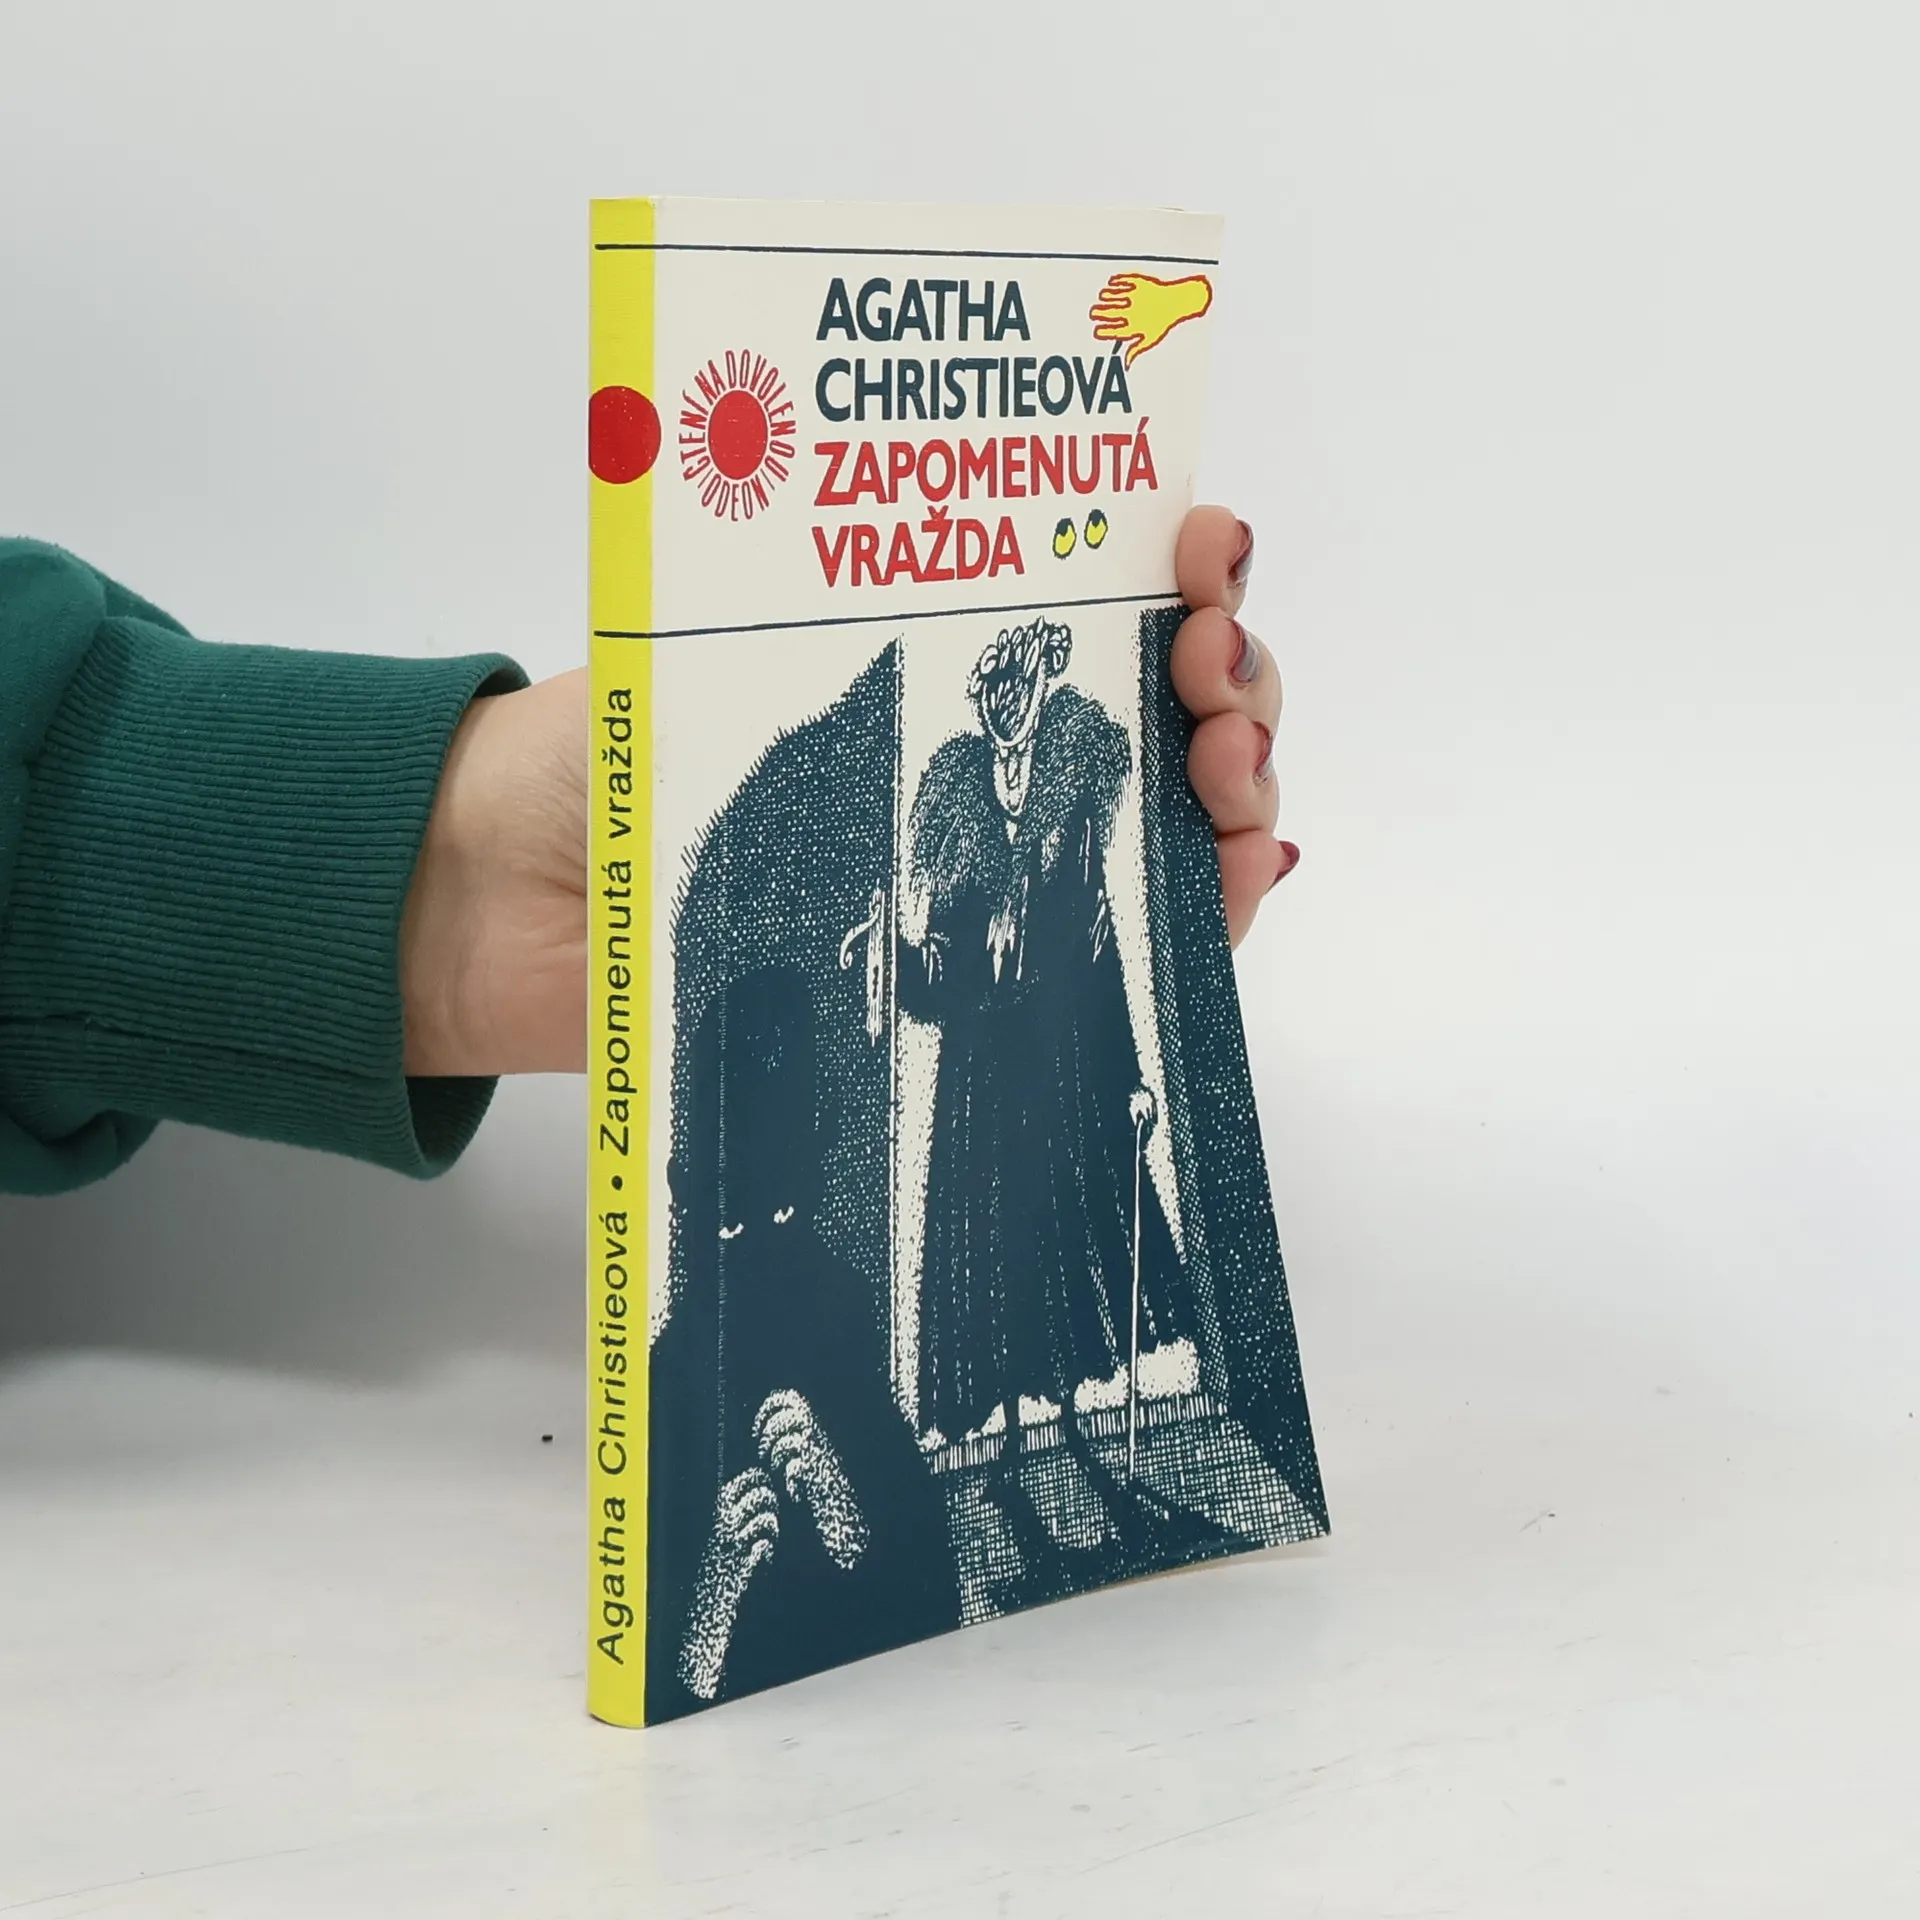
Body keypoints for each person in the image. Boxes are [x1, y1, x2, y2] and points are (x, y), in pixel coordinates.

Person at [0, 509, 1290, 1196]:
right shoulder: (954, 776)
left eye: (1022, 677)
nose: (1005, 697)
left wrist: (448, 836)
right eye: (993, 680)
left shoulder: (1071, 758)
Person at [647, 967, 961, 1717]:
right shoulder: (676, 1373)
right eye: (731, 1224)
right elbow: (659, 1685)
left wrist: (839, 1505)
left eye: (785, 1212)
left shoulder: (839, 1315)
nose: (761, 1249)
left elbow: (936, 1601)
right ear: (691, 1202)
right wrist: (716, 1594)